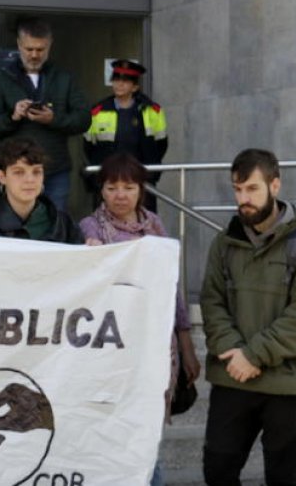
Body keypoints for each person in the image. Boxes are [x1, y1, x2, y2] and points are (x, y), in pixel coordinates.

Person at [200, 149, 296, 486]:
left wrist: (253, 355)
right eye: (237, 189)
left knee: (282, 477)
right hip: (233, 376)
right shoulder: (223, 243)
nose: (244, 198)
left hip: (288, 381)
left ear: (275, 185)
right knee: (217, 470)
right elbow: (211, 303)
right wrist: (235, 353)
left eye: (252, 189)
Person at [79, 153, 198, 486]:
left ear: (141, 189)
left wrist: (186, 342)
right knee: (117, 442)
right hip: (112, 352)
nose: (120, 194)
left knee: (147, 441)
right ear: (101, 190)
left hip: (155, 349)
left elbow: (171, 289)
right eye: (112, 187)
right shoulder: (90, 228)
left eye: (128, 187)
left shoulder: (155, 227)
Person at [0, 18, 90, 214]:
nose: (34, 54)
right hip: (16, 169)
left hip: (55, 169)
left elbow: (84, 119)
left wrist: (53, 119)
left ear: (50, 46)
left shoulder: (64, 78)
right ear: (19, 45)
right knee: (14, 225)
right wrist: (13, 116)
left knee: (55, 227)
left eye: (40, 50)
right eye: (29, 49)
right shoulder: (3, 81)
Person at [83, 59, 168, 211]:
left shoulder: (152, 111)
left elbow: (161, 144)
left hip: (142, 179)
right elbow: (89, 146)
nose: (119, 84)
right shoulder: (98, 111)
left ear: (135, 86)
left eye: (125, 81)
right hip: (108, 179)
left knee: (144, 223)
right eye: (116, 79)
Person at [0, 137, 80, 243]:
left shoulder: (65, 226)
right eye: (19, 172)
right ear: (2, 177)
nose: (30, 180)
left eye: (36, 172)